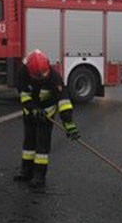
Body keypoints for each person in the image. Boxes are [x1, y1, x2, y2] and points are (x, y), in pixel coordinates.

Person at [14, 49, 79, 191]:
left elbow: (64, 101)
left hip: (47, 115)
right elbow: (24, 95)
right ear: (30, 71)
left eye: (43, 74)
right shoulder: (22, 73)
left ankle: (39, 177)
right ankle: (26, 172)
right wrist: (32, 109)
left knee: (42, 147)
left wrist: (69, 125)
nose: (41, 77)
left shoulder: (54, 77)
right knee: (28, 144)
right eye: (37, 75)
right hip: (30, 113)